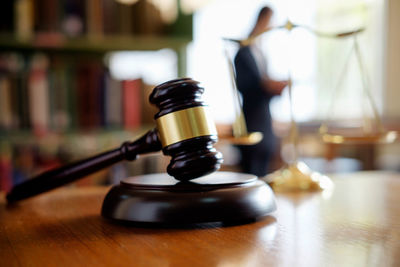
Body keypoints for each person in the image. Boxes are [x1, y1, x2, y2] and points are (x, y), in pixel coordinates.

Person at [234, 6, 288, 177]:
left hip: (265, 122)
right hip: (251, 122)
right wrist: (266, 86)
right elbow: (243, 86)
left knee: (264, 174)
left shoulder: (261, 53)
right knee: (251, 175)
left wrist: (276, 88)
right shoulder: (243, 52)